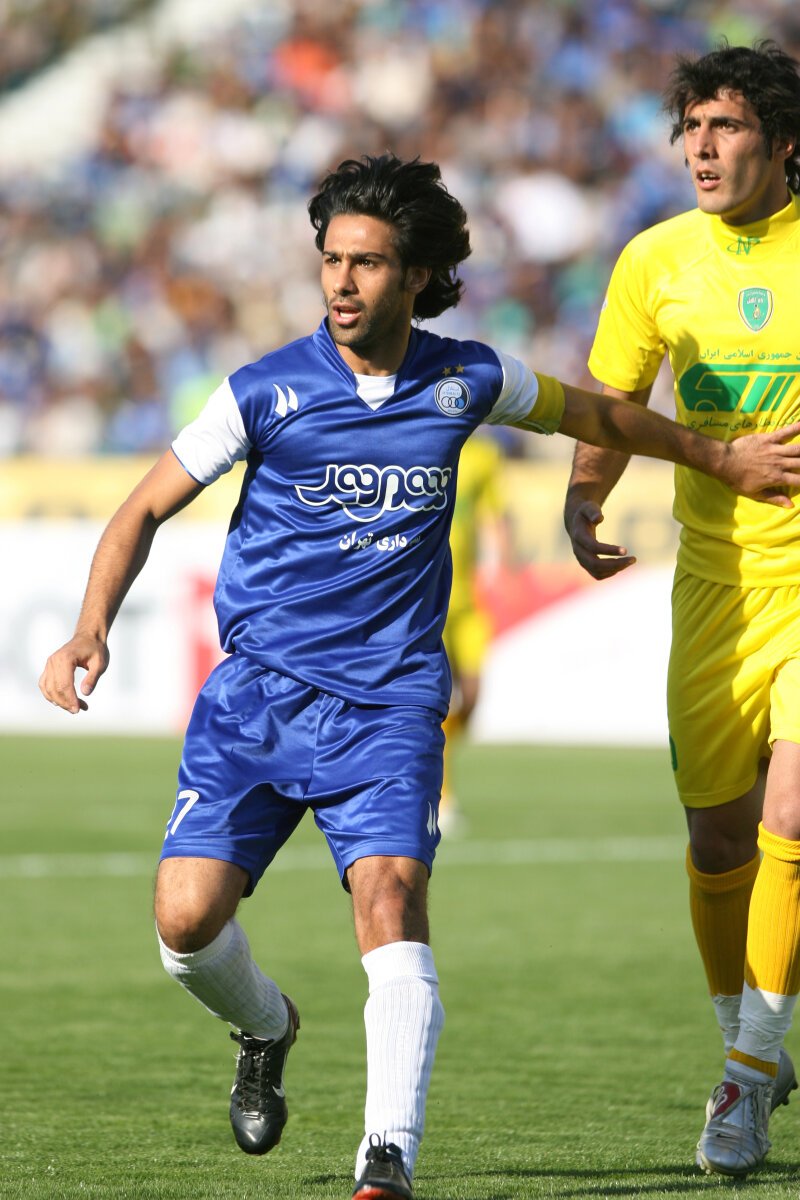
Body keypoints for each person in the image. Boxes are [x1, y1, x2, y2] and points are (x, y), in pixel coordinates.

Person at [39, 153, 800, 1200]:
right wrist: (89, 627)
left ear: (418, 276)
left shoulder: (467, 379)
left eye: (367, 263)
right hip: (257, 698)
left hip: (391, 702)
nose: (342, 282)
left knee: (390, 897)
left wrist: (716, 459)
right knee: (183, 923)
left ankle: (384, 1157)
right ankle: (265, 1027)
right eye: (331, 261)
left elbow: (598, 415)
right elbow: (140, 509)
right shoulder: (264, 390)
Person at [564, 40, 800, 1180]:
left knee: (791, 816)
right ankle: (745, 1045)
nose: (701, 149)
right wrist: (581, 498)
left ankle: (745, 1082)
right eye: (691, 129)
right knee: (715, 838)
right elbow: (611, 401)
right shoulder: (654, 259)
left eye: (726, 126)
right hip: (714, 588)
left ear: (783, 142)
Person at [440, 430, 506, 833]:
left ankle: (435, 758)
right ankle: (442, 795)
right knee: (440, 704)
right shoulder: (426, 439)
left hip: (467, 602)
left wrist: (503, 566)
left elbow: (493, 515)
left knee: (472, 698)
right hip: (428, 601)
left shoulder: (483, 457)